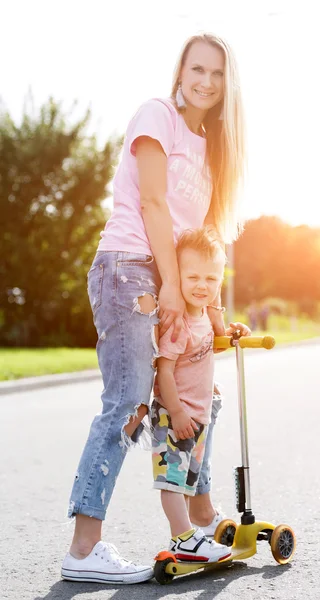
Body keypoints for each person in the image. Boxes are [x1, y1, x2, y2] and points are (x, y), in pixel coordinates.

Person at [61, 32, 246, 584]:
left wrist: (213, 316)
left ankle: (202, 520)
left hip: (168, 277)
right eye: (197, 68)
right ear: (181, 70)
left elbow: (204, 242)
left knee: (196, 394)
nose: (206, 81)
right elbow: (153, 202)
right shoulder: (157, 114)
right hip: (130, 269)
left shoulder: (212, 149)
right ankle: (84, 547)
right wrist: (167, 285)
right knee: (127, 403)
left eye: (217, 73)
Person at [153, 227, 250, 562]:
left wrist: (234, 331)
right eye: (192, 277)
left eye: (211, 279)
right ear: (176, 276)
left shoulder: (203, 319)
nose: (201, 286)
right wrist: (177, 412)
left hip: (197, 415)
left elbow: (206, 350)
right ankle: (182, 538)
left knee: (188, 479)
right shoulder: (179, 322)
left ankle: (189, 535)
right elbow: (164, 370)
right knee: (173, 481)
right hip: (175, 413)